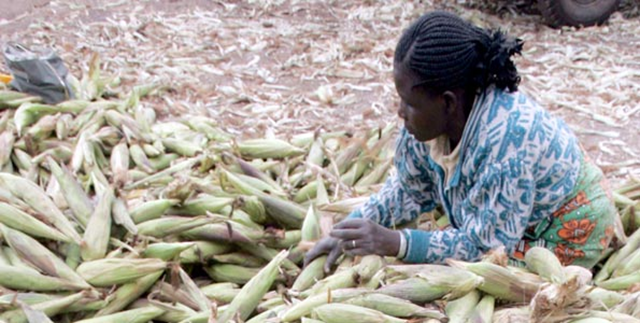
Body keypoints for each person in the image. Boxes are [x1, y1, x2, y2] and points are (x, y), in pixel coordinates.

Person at [304, 11, 618, 273]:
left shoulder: (506, 143)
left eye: (410, 104)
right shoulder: (426, 126)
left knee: (482, 280)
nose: (400, 112)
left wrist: (396, 243)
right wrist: (354, 225)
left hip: (567, 225)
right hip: (510, 211)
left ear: (448, 103)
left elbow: (485, 248)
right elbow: (408, 187)